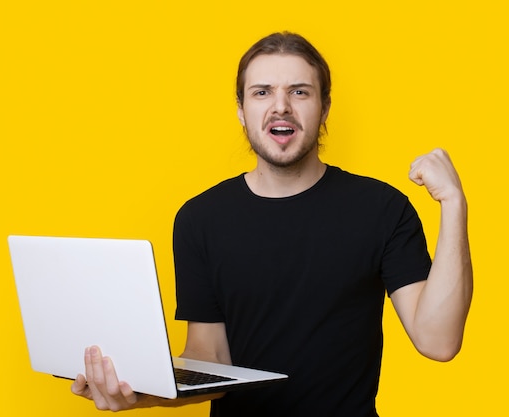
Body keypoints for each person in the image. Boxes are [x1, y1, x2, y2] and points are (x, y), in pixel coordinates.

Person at [71, 31, 473, 416]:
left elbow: (438, 341)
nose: (281, 106)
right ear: (242, 112)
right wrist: (141, 392)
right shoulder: (199, 219)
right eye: (262, 93)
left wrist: (454, 203)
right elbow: (210, 359)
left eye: (299, 92)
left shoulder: (383, 209)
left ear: (325, 107)